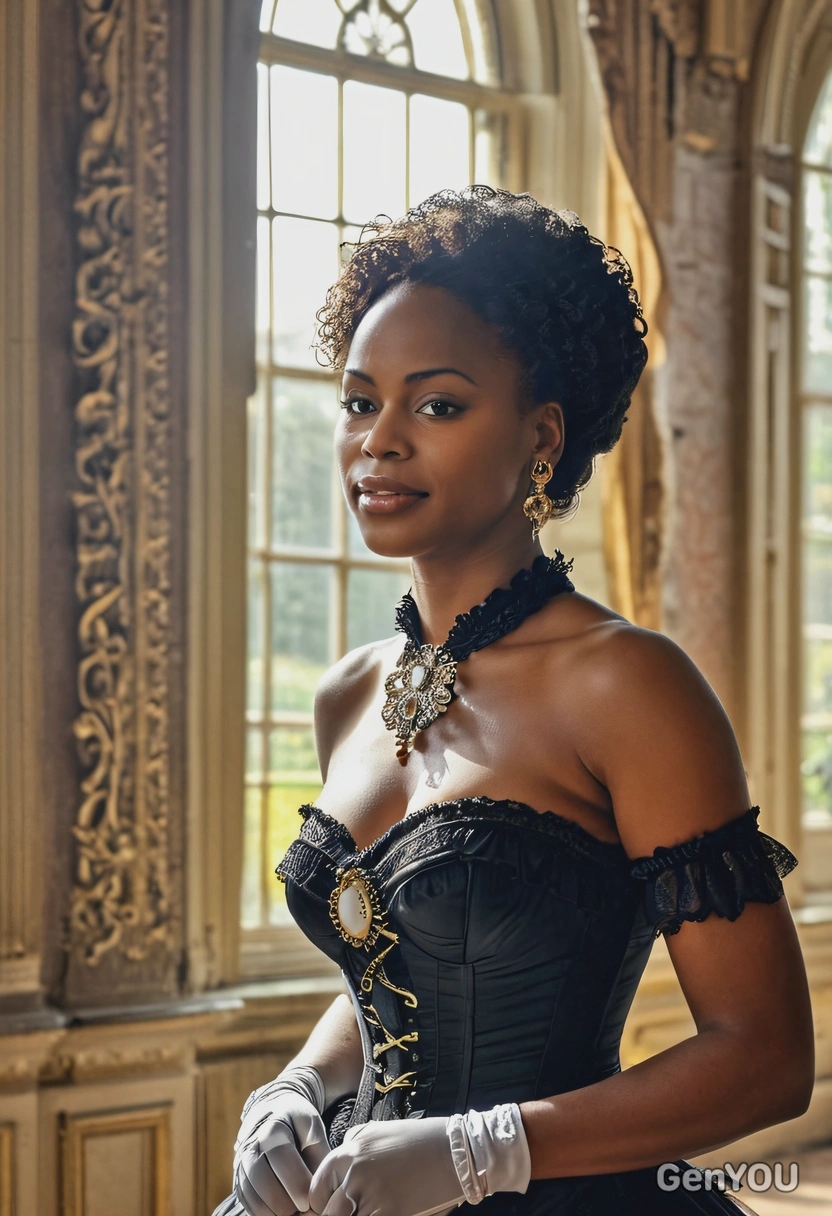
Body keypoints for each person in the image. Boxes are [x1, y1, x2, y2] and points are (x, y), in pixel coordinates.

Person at [215, 186, 813, 1216]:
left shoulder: (628, 684)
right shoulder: (352, 690)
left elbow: (764, 1056)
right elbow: (401, 957)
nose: (378, 441)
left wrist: (480, 1149)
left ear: (541, 435)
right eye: (361, 401)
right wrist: (302, 1082)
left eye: (437, 404)